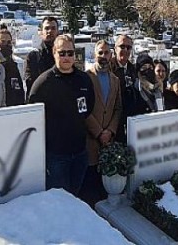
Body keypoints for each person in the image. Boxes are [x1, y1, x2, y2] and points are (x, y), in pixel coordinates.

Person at [28, 35, 95, 195]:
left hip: (79, 153)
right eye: (62, 53)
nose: (66, 57)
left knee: (75, 197)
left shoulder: (84, 79)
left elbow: (89, 108)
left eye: (70, 53)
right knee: (60, 202)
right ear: (54, 53)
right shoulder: (43, 83)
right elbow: (33, 116)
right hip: (56, 156)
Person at [80, 40, 122, 206]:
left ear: (111, 55)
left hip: (108, 143)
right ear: (94, 54)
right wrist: (98, 132)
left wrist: (110, 131)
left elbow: (118, 108)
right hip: (90, 142)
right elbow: (83, 108)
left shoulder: (115, 80)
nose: (103, 57)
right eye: (100, 53)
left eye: (106, 53)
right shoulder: (85, 78)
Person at [109, 34, 136, 143]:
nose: (125, 50)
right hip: (112, 122)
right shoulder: (108, 68)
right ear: (115, 49)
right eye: (122, 46)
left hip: (129, 120)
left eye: (128, 47)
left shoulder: (133, 69)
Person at [25, 16, 58, 96]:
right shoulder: (33, 57)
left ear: (58, 31)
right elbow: (31, 84)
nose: (50, 31)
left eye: (53, 28)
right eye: (47, 28)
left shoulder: (65, 56)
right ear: (41, 32)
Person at [0, 27, 25, 106]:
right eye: (3, 42)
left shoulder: (13, 67)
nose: (6, 45)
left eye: (9, 42)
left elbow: (19, 92)